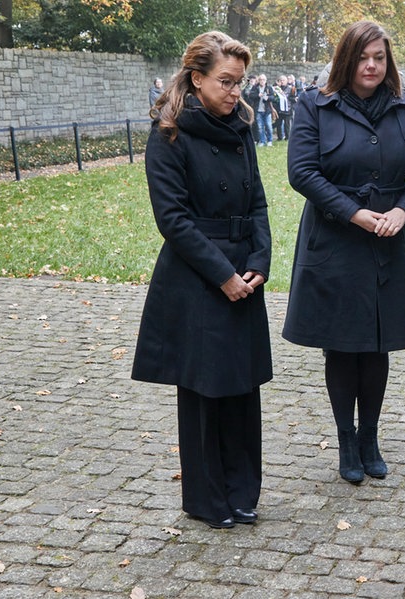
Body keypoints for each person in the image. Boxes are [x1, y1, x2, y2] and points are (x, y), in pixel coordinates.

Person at [284, 20, 405, 485]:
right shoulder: (314, 105)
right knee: (343, 345)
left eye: (379, 57)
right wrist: (354, 213)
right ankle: (346, 441)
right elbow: (302, 172)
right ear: (346, 60)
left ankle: (370, 437)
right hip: (336, 241)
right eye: (362, 57)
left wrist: (404, 210)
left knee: (378, 345)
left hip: (390, 243)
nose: (371, 66)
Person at [132, 31, 272, 530]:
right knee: (204, 392)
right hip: (198, 277)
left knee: (242, 389)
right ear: (197, 79)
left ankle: (242, 492)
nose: (236, 92)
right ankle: (206, 498)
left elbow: (257, 201)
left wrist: (259, 260)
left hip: (244, 272)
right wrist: (223, 276)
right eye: (226, 82)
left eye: (241, 82)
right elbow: (172, 218)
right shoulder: (168, 133)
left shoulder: (241, 128)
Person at [245, 74, 276, 146]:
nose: (262, 81)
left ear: (266, 80)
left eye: (263, 79)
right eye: (260, 79)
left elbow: (273, 97)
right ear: (258, 80)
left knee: (268, 126)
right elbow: (250, 96)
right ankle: (262, 141)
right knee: (260, 127)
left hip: (267, 110)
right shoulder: (255, 87)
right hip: (258, 110)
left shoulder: (269, 88)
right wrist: (257, 96)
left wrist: (268, 98)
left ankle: (269, 140)